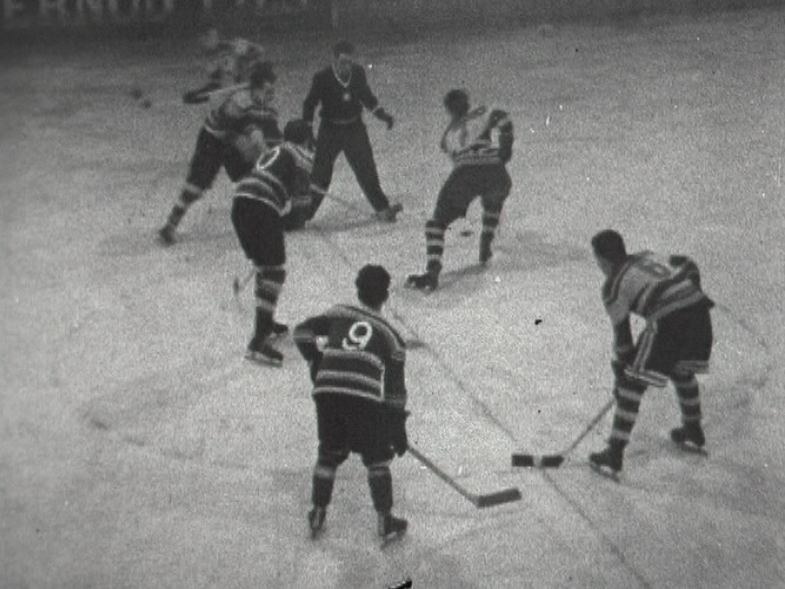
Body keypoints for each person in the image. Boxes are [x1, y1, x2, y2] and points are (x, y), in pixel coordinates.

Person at [294, 264, 409, 542]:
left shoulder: (338, 313)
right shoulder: (393, 338)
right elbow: (394, 392)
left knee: (329, 452)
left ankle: (318, 512)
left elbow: (301, 332)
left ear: (358, 291)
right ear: (385, 295)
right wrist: (396, 427)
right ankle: (385, 520)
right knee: (376, 457)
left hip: (328, 391)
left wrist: (316, 359)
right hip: (364, 400)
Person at [588, 229, 715, 475]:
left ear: (603, 260)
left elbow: (623, 339)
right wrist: (691, 289)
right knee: (681, 370)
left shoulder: (612, 287)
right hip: (699, 311)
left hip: (670, 320)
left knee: (632, 387)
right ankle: (693, 430)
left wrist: (624, 374)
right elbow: (688, 264)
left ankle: (613, 454)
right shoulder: (648, 256)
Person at [159, 62, 282, 245]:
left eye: (272, 91)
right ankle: (170, 225)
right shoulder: (240, 100)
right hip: (213, 140)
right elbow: (228, 125)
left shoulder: (269, 107)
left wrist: (269, 151)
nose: (270, 96)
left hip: (236, 141)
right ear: (255, 89)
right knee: (197, 186)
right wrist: (249, 136)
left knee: (250, 179)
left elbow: (271, 134)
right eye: (266, 90)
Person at [404, 89, 513, 291]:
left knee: (436, 223)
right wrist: (505, 149)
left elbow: (454, 157)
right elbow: (503, 119)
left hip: (465, 174)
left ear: (449, 110)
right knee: (493, 199)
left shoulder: (448, 136)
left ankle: (432, 271)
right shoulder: (481, 112)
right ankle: (486, 241)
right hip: (496, 172)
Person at [288, 40, 402, 229]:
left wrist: (382, 115)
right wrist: (308, 133)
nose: (346, 66)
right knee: (320, 176)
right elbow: (309, 104)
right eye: (342, 62)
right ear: (334, 60)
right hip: (330, 130)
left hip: (354, 129)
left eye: (349, 62)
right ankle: (302, 216)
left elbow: (366, 96)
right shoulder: (322, 78)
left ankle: (382, 208)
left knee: (367, 170)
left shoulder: (358, 73)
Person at [232, 119, 314, 365]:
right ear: (307, 139)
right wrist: (290, 220)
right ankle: (258, 342)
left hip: (240, 204)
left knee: (265, 268)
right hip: (262, 207)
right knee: (275, 272)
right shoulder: (302, 156)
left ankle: (265, 324)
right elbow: (301, 207)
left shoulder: (276, 150)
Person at [181, 27, 265, 105]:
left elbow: (259, 51)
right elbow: (216, 83)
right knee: (191, 98)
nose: (214, 39)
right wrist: (200, 93)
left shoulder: (231, 46)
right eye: (207, 38)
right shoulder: (205, 57)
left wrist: (249, 47)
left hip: (242, 88)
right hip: (227, 90)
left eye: (214, 36)